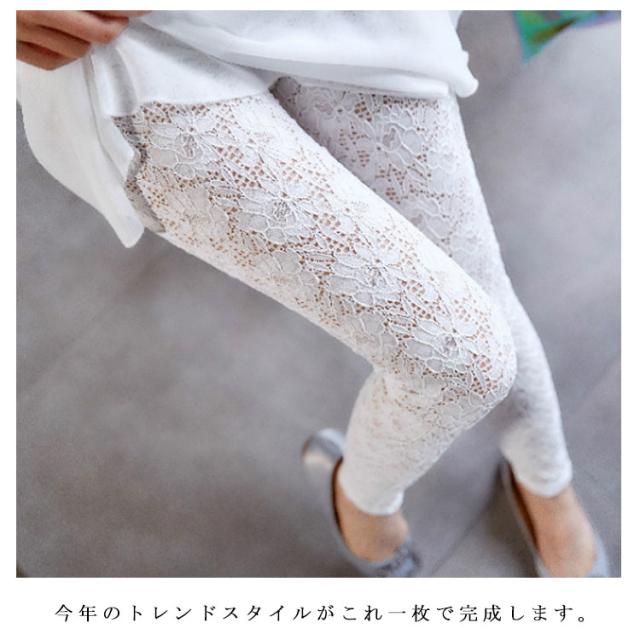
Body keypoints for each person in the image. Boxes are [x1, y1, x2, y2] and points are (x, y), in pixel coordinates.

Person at [16, 9, 609, 577]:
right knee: (463, 361)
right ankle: (364, 503)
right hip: (127, 45)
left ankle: (546, 481)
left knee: (483, 290)